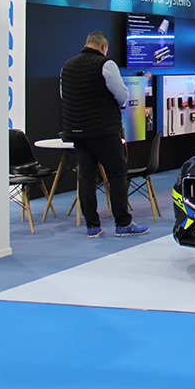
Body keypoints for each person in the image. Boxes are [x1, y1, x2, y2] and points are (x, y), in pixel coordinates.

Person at [60, 31, 148, 238]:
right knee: (117, 174)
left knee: (86, 177)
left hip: (77, 131)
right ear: (104, 47)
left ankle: (92, 226)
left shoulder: (67, 66)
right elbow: (122, 94)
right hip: (103, 131)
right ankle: (123, 223)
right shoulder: (106, 64)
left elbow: (64, 96)